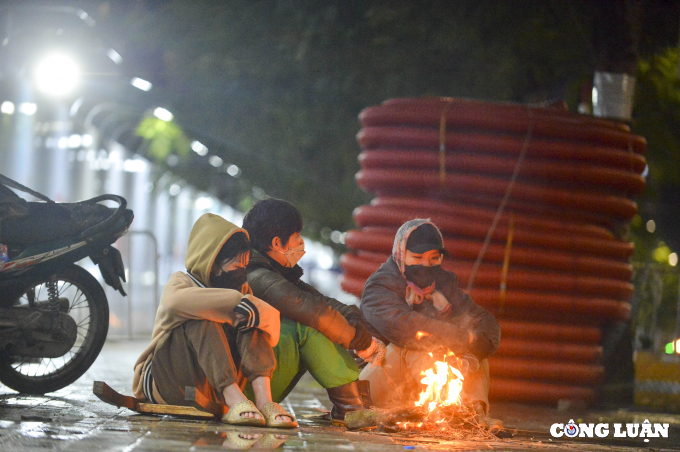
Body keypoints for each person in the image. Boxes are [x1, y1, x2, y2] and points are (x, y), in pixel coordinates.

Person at [132, 213, 297, 428]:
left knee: (251, 319)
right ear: (211, 260)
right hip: (167, 380)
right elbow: (175, 302)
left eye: (244, 265)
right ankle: (234, 398)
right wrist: (238, 302)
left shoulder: (243, 290)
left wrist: (255, 312)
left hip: (209, 386)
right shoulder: (182, 281)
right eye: (235, 264)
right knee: (201, 314)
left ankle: (265, 401)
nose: (240, 272)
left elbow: (272, 332)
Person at [242, 198, 384, 425]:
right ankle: (351, 408)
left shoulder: (274, 272)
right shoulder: (257, 277)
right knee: (310, 327)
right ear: (277, 243)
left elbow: (323, 302)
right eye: (297, 236)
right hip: (245, 390)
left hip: (256, 380)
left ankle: (354, 401)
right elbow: (314, 312)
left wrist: (354, 319)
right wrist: (362, 343)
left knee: (328, 322)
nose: (301, 242)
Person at [359, 218, 503, 431]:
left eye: (434, 258)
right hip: (378, 381)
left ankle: (471, 414)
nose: (425, 265)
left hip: (423, 382)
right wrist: (464, 337)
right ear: (400, 253)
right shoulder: (380, 286)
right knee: (417, 344)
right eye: (417, 257)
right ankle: (449, 412)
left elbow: (487, 324)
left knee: (475, 356)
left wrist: (470, 353)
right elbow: (407, 327)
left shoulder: (444, 284)